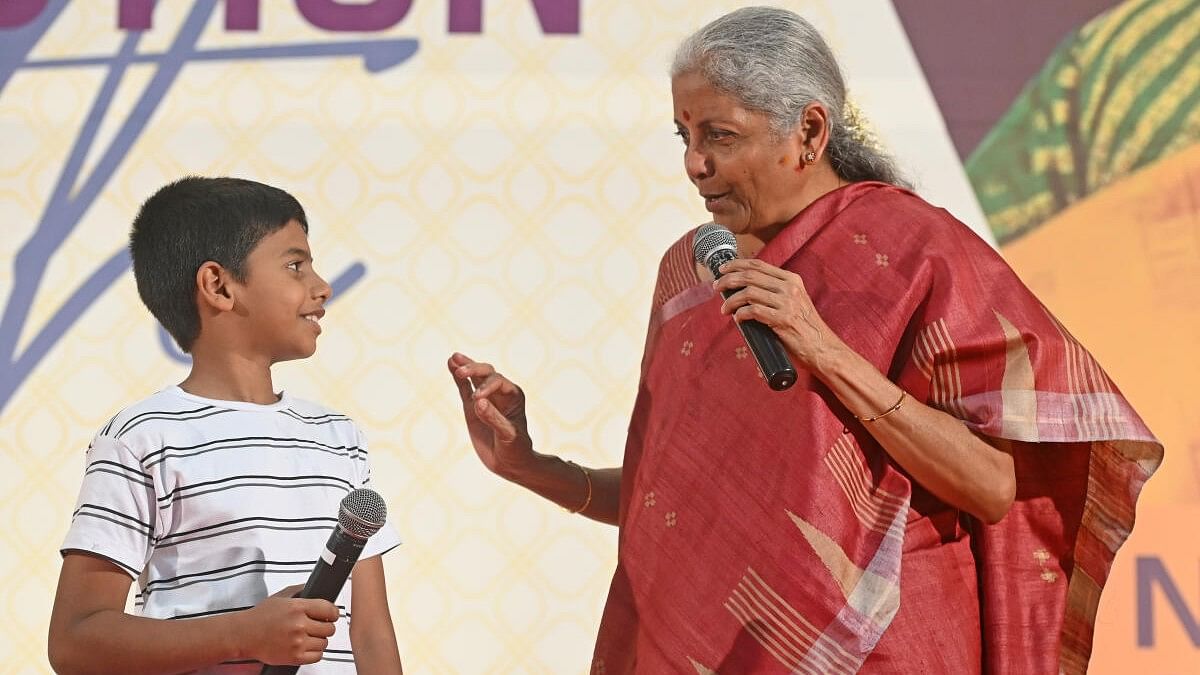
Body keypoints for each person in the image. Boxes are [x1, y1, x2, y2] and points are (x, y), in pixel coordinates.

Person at [448, 6, 1161, 674]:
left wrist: (821, 347)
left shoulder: (918, 251)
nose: (694, 164)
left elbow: (991, 485)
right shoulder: (693, 274)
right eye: (685, 136)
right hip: (727, 651)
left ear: (811, 133)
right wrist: (527, 464)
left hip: (888, 650)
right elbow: (667, 503)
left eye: (720, 136)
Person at [47, 177, 403, 674]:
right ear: (219, 286)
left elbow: (370, 631)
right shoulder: (143, 437)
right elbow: (75, 640)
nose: (322, 286)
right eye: (295, 265)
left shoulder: (338, 437)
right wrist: (242, 635)